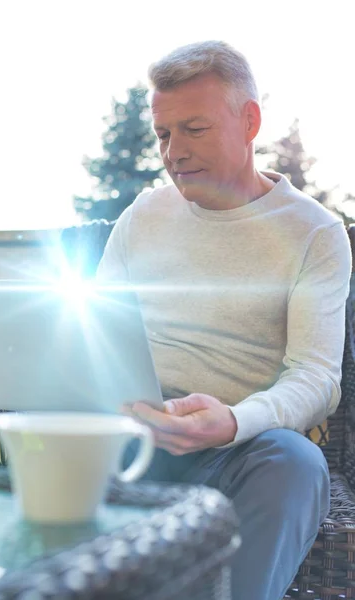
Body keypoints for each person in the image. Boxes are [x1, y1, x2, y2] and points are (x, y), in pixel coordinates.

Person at [96, 40, 352, 600]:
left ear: (250, 121)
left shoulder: (314, 233)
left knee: (296, 463)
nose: (174, 152)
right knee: (50, 438)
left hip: (243, 445)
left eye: (194, 128)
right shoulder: (144, 215)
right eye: (164, 134)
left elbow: (316, 378)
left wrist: (233, 421)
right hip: (136, 434)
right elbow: (94, 332)